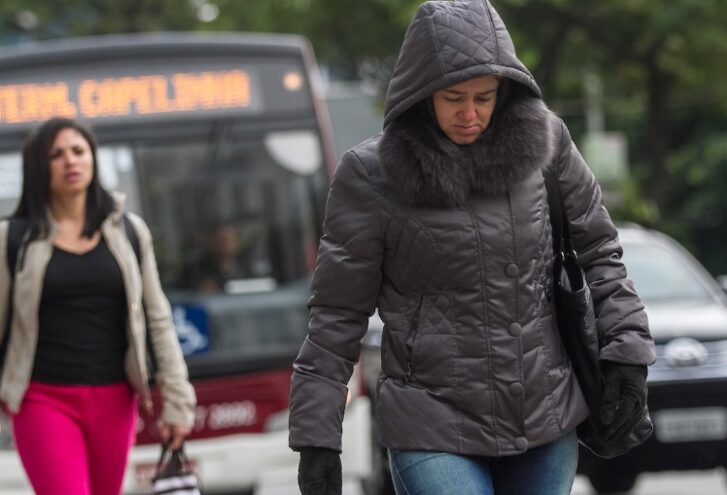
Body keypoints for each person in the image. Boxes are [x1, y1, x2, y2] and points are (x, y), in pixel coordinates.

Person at [288, 1, 656, 494]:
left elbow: (601, 255)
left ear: (506, 91)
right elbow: (336, 316)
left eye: (485, 97)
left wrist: (628, 355)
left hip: (544, 416)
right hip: (431, 422)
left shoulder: (547, 145)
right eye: (453, 97)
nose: (469, 114)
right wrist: (317, 439)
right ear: (420, 96)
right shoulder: (370, 177)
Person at [0, 117, 196, 495]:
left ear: (93, 157)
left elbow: (157, 320)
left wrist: (178, 402)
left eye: (78, 150)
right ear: (39, 167)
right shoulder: (13, 239)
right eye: (56, 155)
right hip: (42, 398)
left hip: (115, 398)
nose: (71, 161)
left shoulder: (129, 232)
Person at [193, 222, 254, 293]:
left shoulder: (246, 270)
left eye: (228, 239)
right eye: (220, 240)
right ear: (210, 242)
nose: (224, 245)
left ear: (237, 243)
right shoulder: (196, 271)